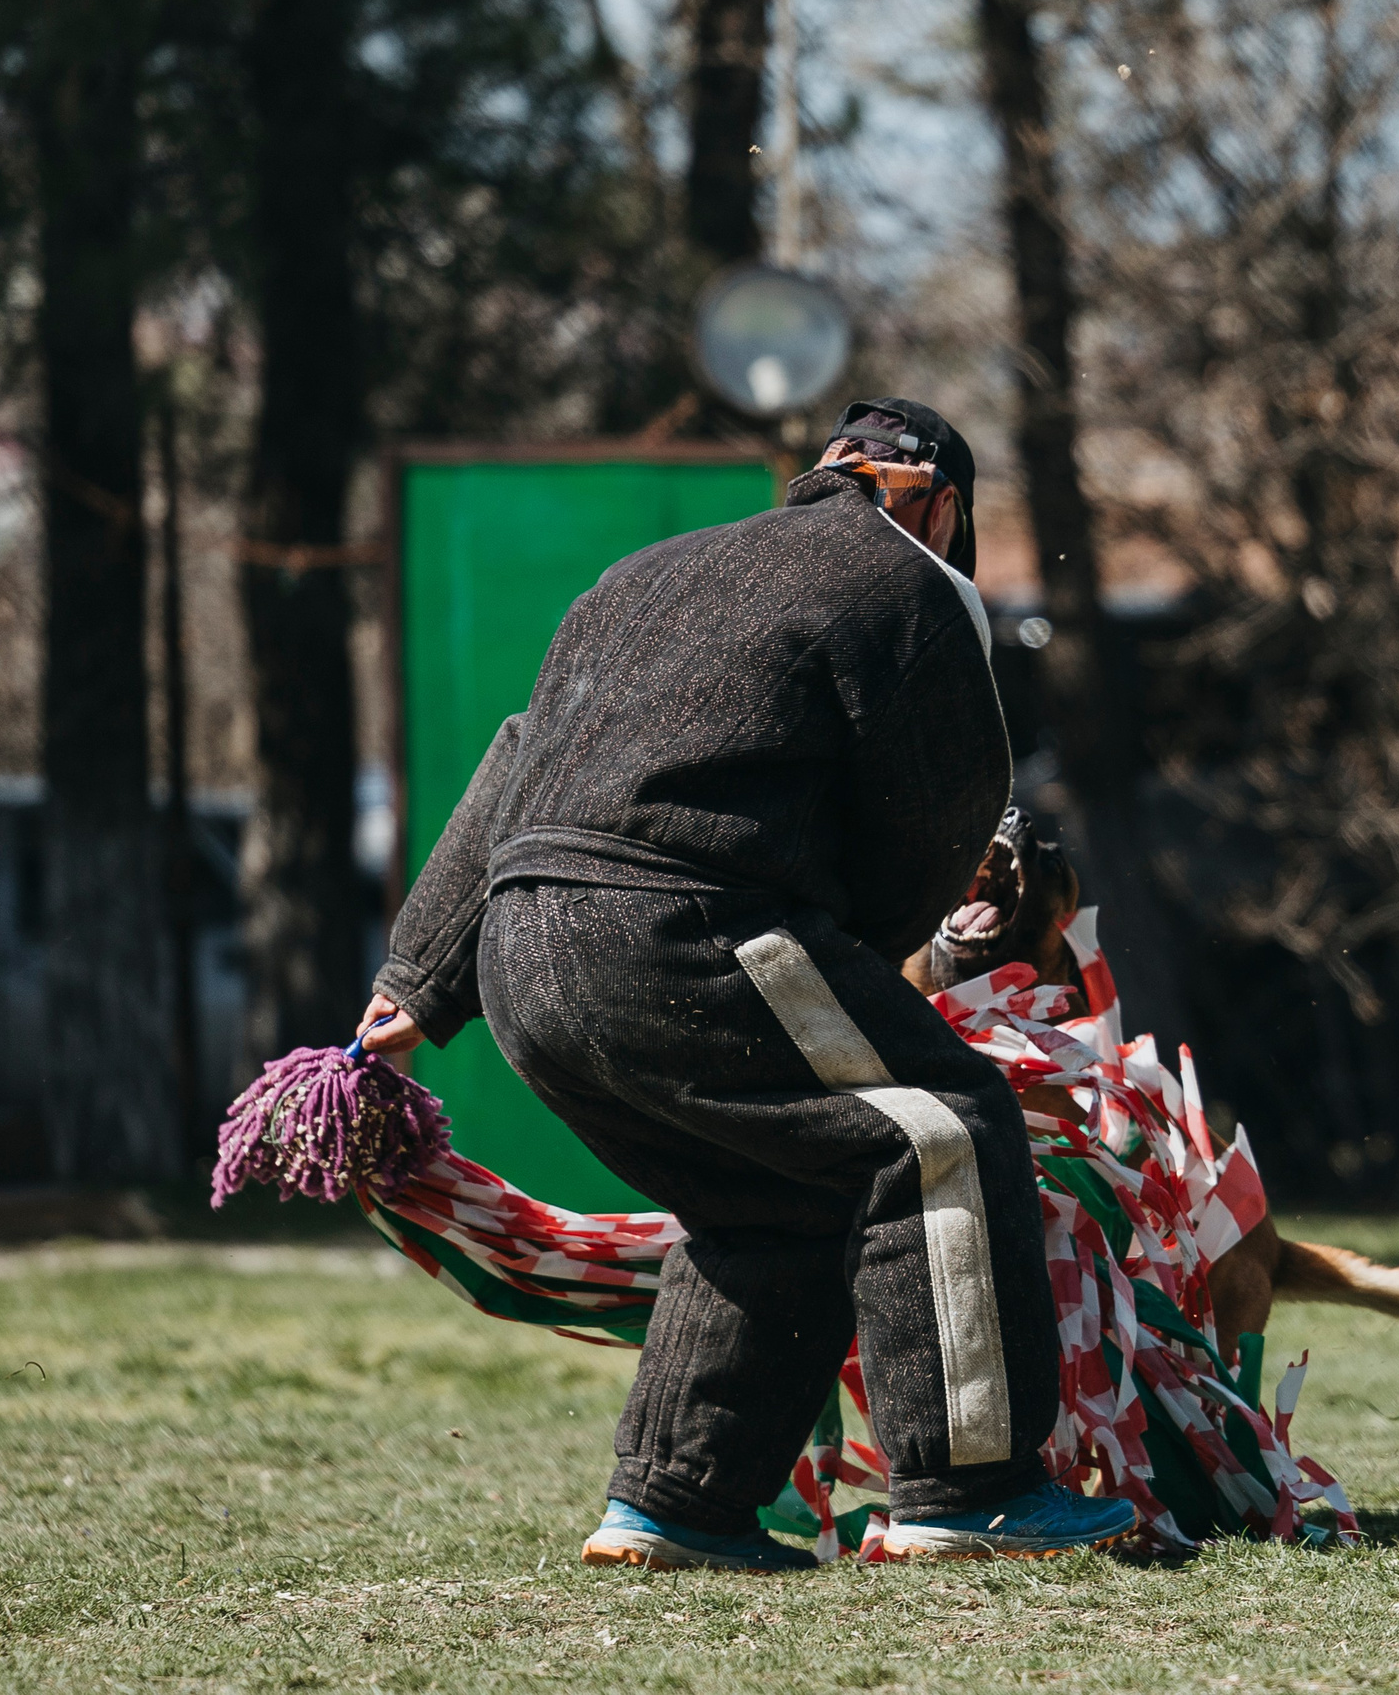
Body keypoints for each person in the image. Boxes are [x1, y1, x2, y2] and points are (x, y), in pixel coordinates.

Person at [355, 398, 1137, 1570]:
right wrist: (874, 957)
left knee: (775, 1193)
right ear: (938, 504)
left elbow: (515, 750)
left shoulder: (637, 578)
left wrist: (420, 974)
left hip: (523, 952)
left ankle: (679, 1502)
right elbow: (939, 811)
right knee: (944, 1128)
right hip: (690, 926)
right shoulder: (910, 581)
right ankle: (964, 1488)